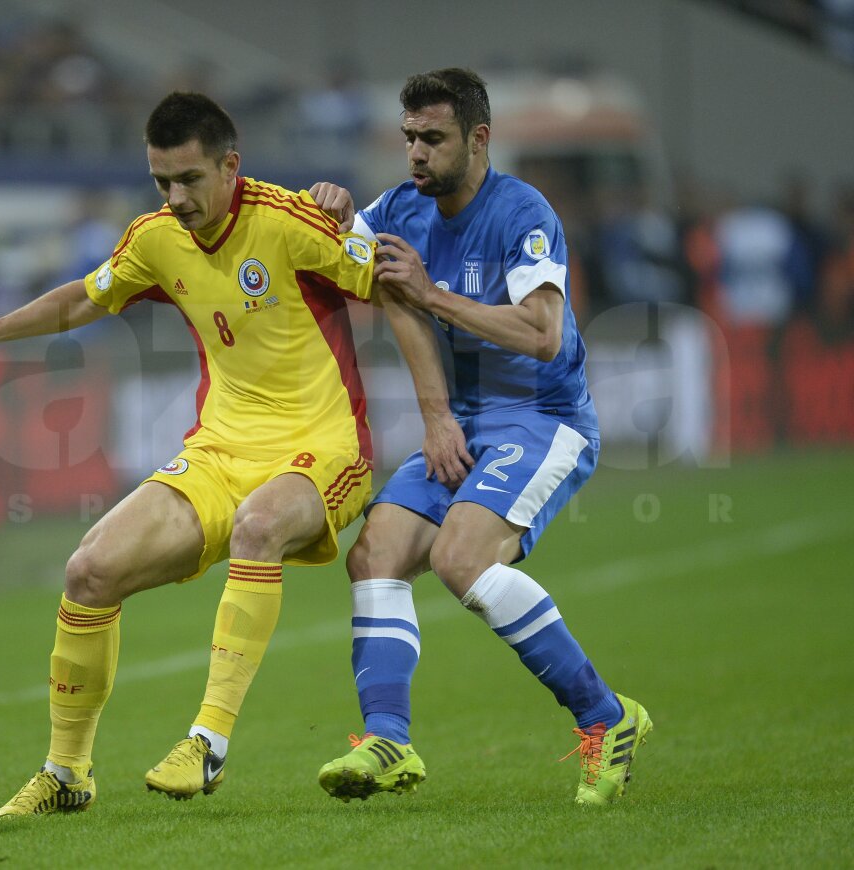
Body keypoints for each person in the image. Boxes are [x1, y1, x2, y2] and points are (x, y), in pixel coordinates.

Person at [0, 91, 381, 814]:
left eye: (189, 179)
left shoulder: (290, 221)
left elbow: (390, 281)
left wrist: (354, 222)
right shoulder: (156, 237)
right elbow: (82, 302)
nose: (175, 197)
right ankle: (67, 774)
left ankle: (209, 741)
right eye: (161, 181)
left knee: (260, 526)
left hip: (325, 448)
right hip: (221, 450)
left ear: (231, 166)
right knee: (90, 570)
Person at [308, 67, 652, 806]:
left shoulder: (522, 212)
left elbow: (541, 332)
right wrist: (326, 206)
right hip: (463, 424)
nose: (416, 154)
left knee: (461, 558)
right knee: (375, 552)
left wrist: (433, 293)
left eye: (433, 138)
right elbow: (328, 246)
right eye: (409, 139)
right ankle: (388, 741)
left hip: (543, 417)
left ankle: (608, 716)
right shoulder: (401, 207)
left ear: (479, 138)